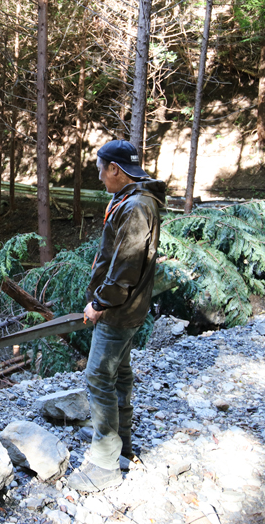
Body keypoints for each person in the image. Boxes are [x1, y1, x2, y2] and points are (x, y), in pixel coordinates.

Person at [66, 139, 166, 493]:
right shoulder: (131, 199)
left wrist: (100, 303)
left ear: (115, 169)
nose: (98, 176)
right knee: (120, 374)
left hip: (120, 310)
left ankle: (105, 464)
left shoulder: (137, 205)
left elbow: (125, 269)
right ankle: (121, 442)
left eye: (100, 169)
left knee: (97, 378)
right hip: (127, 307)